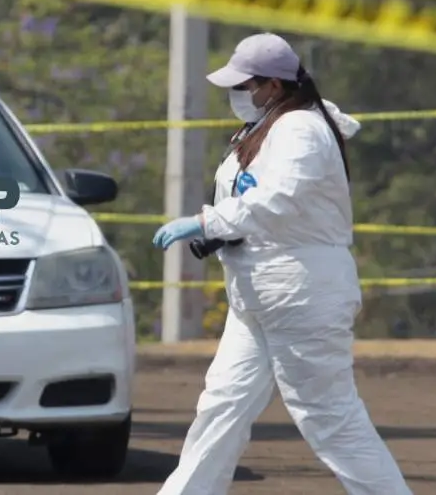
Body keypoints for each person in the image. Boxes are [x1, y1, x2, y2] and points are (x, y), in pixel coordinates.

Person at [150, 33, 412, 495]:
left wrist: (207, 222)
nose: (236, 95)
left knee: (330, 418)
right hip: (256, 292)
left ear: (272, 85)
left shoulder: (302, 131)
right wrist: (219, 227)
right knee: (222, 406)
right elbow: (254, 200)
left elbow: (279, 199)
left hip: (300, 291)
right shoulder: (265, 127)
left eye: (243, 85)